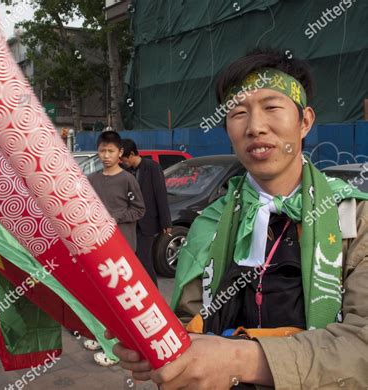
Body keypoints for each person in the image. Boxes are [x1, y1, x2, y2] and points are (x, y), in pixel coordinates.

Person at [110, 48, 368, 388]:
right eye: (238, 112)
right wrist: (160, 348)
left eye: (272, 107)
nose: (255, 127)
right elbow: (190, 321)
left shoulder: (354, 216)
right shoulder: (210, 223)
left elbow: (361, 343)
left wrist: (240, 360)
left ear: (305, 121)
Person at [86, 131, 146, 367]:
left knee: (120, 299)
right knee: (100, 297)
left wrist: (114, 217)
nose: (106, 156)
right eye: (102, 151)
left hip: (122, 249)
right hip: (96, 247)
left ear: (120, 153)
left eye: (111, 151)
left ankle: (117, 349)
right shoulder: (92, 179)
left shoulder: (128, 180)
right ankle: (101, 336)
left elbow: (139, 210)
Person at [121, 139, 172, 286]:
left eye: (124, 159)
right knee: (133, 259)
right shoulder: (126, 171)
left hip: (148, 222)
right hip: (131, 223)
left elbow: (160, 195)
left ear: (131, 154)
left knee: (144, 259)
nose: (123, 162)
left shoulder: (152, 168)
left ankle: (153, 292)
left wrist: (166, 222)